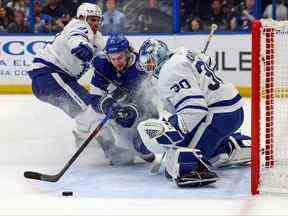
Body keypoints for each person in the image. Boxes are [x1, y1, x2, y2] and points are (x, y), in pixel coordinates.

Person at [137, 39, 251, 187]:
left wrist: (173, 126)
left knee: (176, 163)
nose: (149, 68)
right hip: (232, 110)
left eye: (150, 62)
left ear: (159, 56)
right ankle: (227, 147)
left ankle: (195, 166)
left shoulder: (169, 71)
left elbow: (195, 108)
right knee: (184, 141)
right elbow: (209, 63)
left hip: (218, 116)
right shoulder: (184, 53)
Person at [27, 3, 116, 160]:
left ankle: (85, 141)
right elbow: (77, 38)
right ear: (82, 17)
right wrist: (81, 46)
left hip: (53, 79)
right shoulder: (77, 26)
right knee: (91, 111)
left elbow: (104, 62)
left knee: (82, 113)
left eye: (98, 20)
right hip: (50, 76)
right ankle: (111, 150)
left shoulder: (98, 39)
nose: (96, 23)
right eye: (92, 19)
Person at [73, 33, 158, 165]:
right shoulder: (102, 64)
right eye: (113, 59)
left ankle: (139, 144)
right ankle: (108, 148)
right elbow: (95, 98)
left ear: (128, 53)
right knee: (90, 116)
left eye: (120, 58)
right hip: (117, 109)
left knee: (143, 145)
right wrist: (107, 105)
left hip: (137, 109)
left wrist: (133, 111)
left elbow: (147, 100)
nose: (117, 63)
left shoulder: (140, 67)